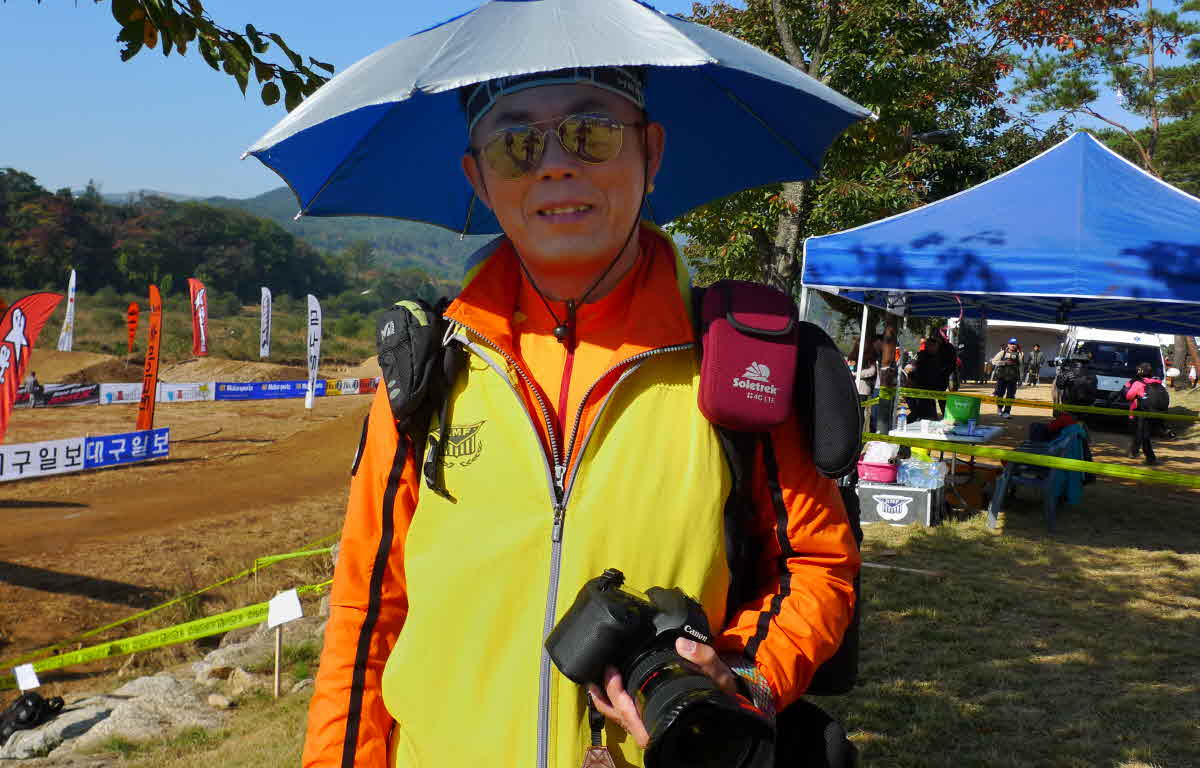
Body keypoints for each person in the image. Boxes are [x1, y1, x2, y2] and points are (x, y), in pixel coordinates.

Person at [302, 67, 860, 768]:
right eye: (516, 145)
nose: (555, 166)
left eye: (591, 133)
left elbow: (815, 565)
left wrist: (745, 678)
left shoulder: (738, 364)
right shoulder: (427, 371)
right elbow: (365, 612)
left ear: (651, 153)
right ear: (479, 178)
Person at [1122, 362, 1165, 465]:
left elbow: (1128, 396)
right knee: (1141, 434)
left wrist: (1126, 387)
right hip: (1155, 413)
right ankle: (1134, 452)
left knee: (1143, 435)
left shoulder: (1138, 383)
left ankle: (1150, 458)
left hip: (1140, 412)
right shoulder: (1157, 382)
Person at [991, 338, 1021, 418]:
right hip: (1002, 378)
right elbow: (994, 361)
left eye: (1014, 344)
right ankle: (999, 409)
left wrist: (1020, 379)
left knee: (1010, 395)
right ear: (1008, 344)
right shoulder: (1002, 352)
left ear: (1016, 345)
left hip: (1013, 378)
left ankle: (1007, 412)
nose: (1012, 345)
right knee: (1000, 394)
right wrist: (1004, 363)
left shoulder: (1019, 354)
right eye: (1011, 344)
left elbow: (1021, 367)